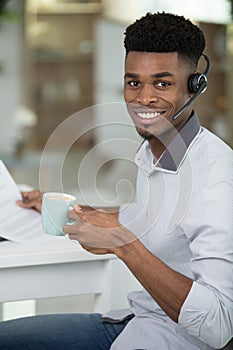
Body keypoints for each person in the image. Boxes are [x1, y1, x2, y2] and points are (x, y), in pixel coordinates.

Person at [1, 12, 233, 350]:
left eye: (162, 83)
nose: (143, 98)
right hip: (136, 324)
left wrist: (123, 245)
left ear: (194, 85)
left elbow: (219, 325)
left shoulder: (216, 180)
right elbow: (149, 218)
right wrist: (72, 209)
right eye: (134, 82)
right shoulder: (155, 149)